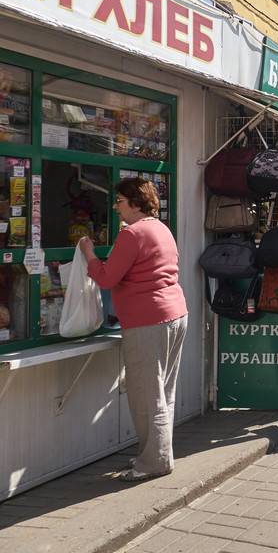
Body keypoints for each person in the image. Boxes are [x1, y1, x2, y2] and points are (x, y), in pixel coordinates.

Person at [78, 178, 188, 481]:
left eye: (120, 201)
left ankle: (154, 462)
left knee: (145, 395)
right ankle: (155, 454)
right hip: (175, 313)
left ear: (136, 204)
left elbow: (105, 278)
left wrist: (88, 251)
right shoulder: (161, 228)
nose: (115, 207)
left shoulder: (132, 233)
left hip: (147, 320)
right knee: (163, 392)